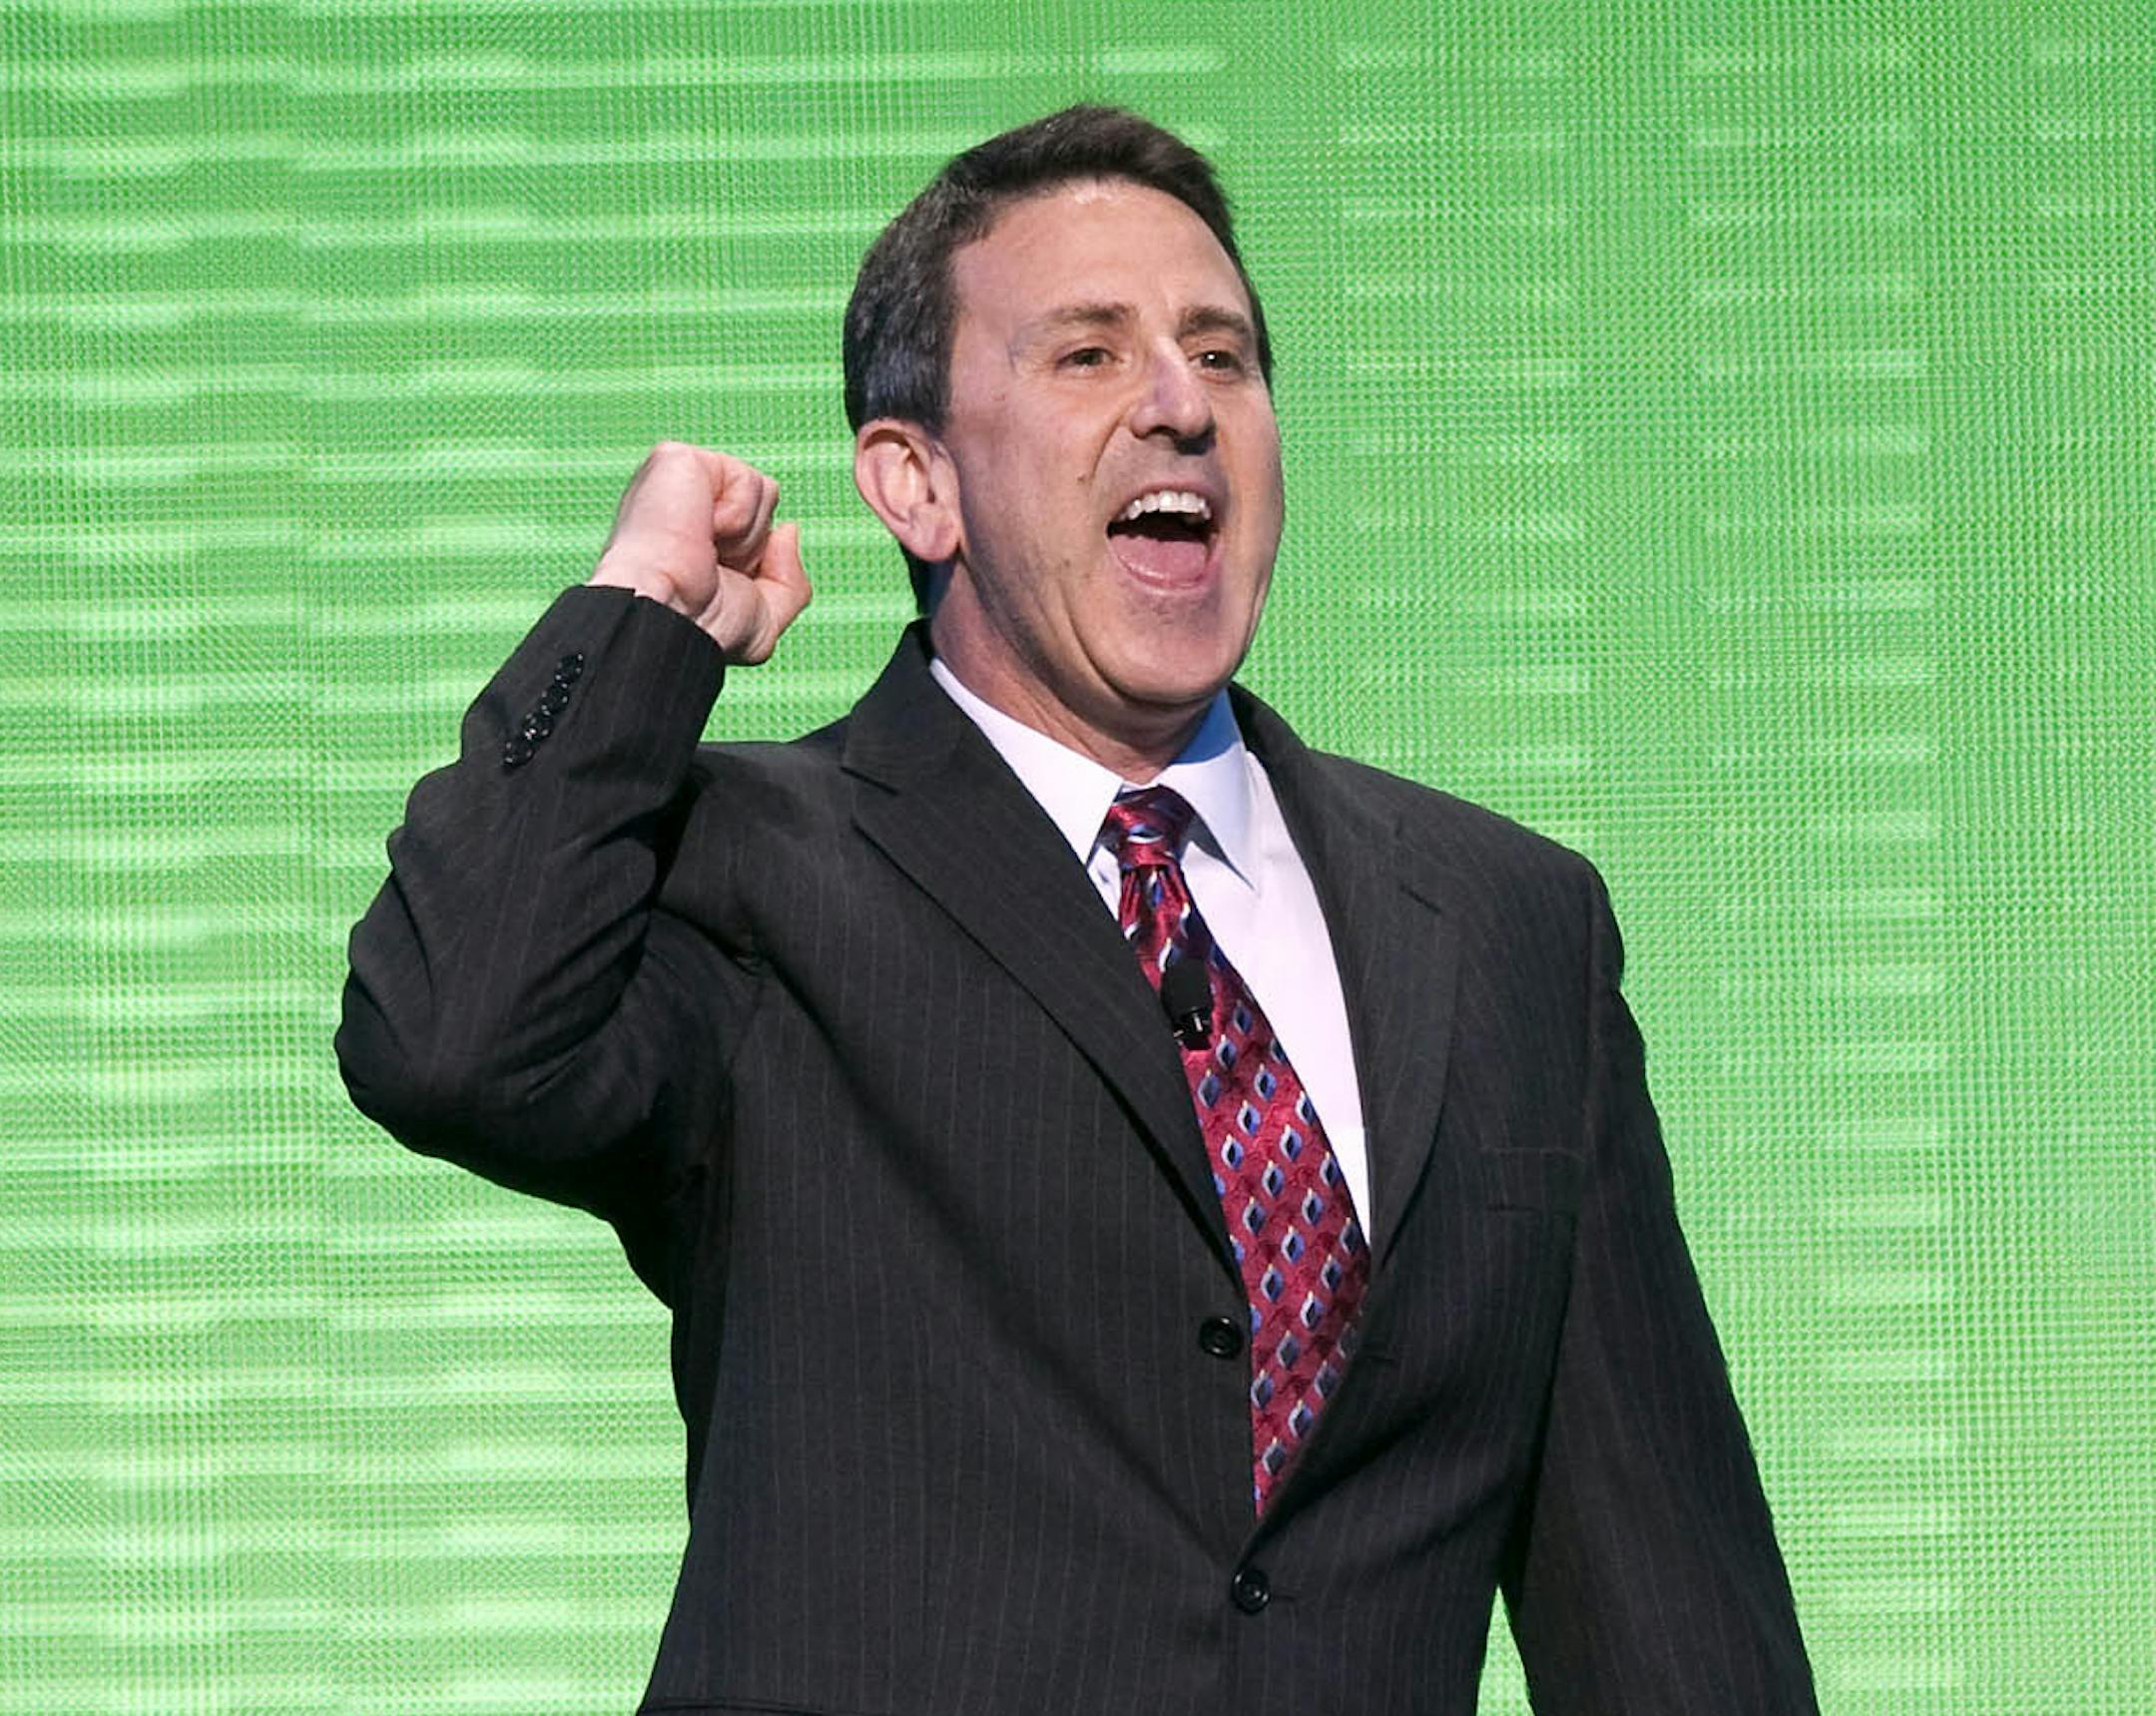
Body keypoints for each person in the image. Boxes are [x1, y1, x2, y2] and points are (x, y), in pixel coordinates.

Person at [337, 105, 1817, 1715]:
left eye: (1224, 356)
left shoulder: (1508, 921)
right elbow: (449, 1042)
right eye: (1090, 357)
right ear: (918, 484)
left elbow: (1668, 1603)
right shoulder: (756, 865)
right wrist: (640, 619)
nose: (1181, 406)